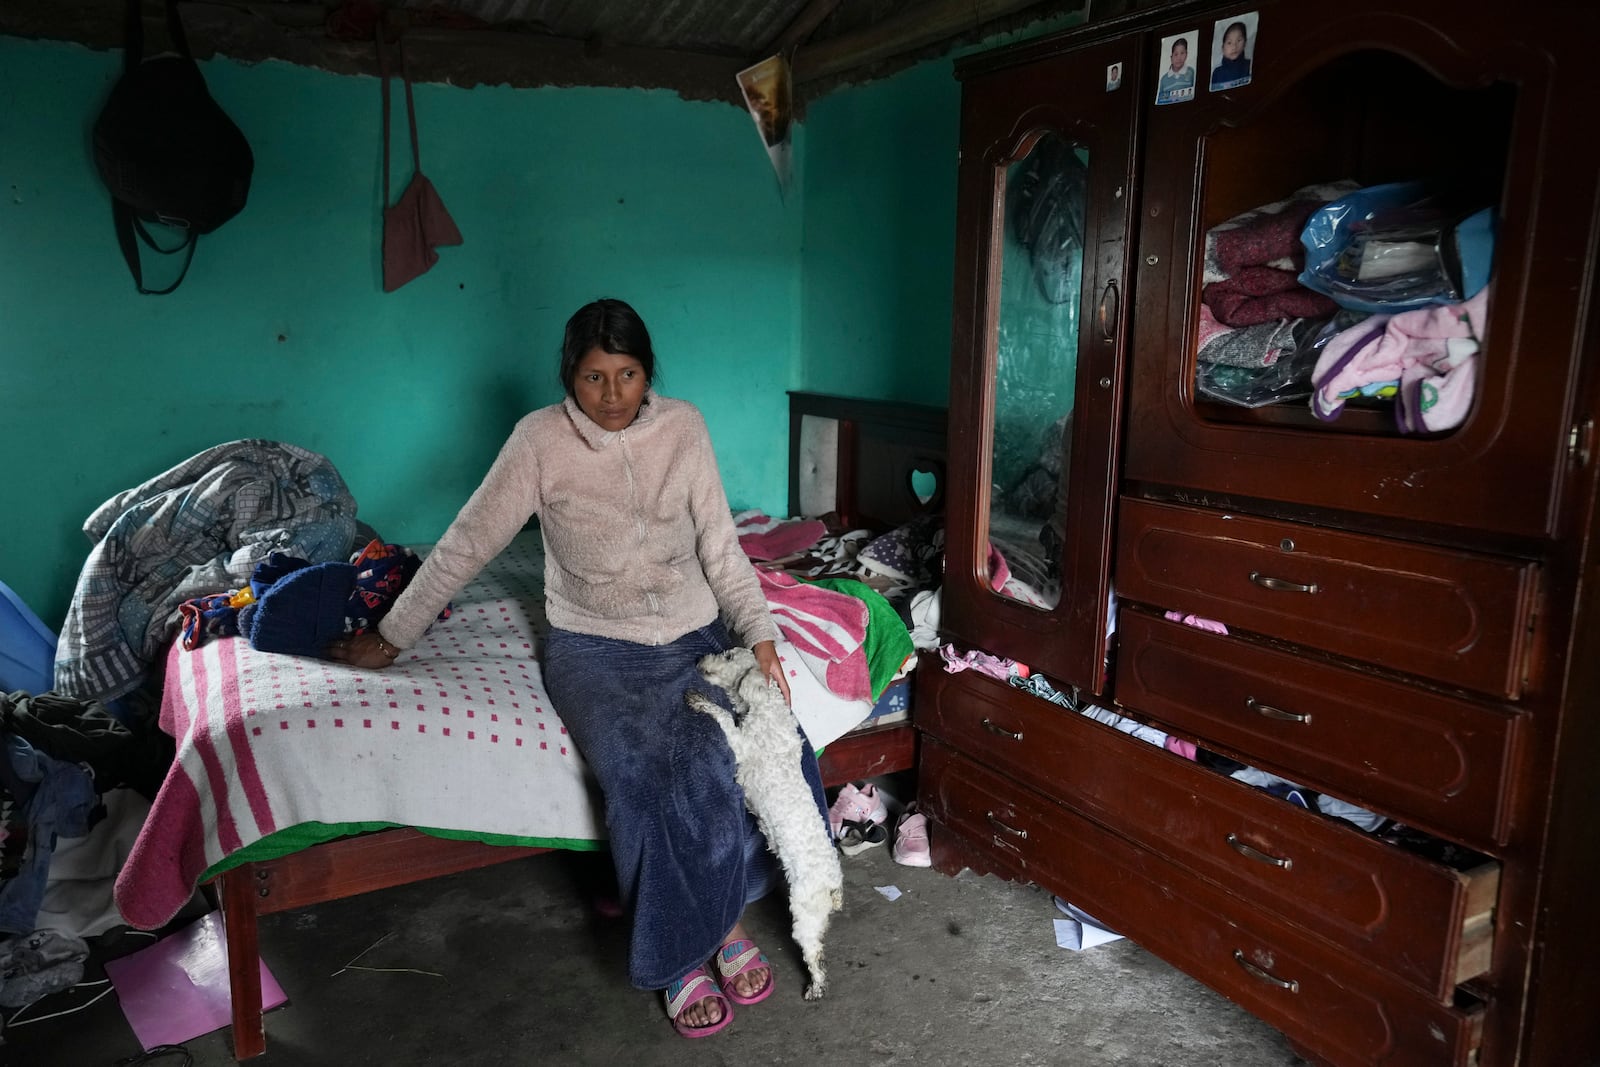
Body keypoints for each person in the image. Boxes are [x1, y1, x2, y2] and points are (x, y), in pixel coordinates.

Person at [328, 298, 827, 1039]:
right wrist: (394, 635)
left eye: (627, 373)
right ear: (569, 375)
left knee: (745, 751)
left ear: (647, 372)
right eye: (594, 376)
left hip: (695, 632)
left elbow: (723, 546)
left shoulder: (683, 427)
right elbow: (467, 541)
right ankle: (680, 955)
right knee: (642, 774)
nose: (613, 394)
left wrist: (759, 639)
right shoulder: (538, 441)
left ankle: (719, 921)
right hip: (595, 647)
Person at [1210, 21, 1252, 90]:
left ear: (1245, 43)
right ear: (1223, 48)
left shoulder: (1250, 65)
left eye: (1239, 40)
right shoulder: (1217, 72)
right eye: (1229, 43)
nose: (1234, 46)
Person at [1156, 36, 1196, 103]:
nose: (1179, 58)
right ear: (1171, 57)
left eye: (1182, 53)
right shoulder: (1164, 79)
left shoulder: (1191, 72)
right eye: (1176, 54)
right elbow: (1161, 100)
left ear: (1186, 54)